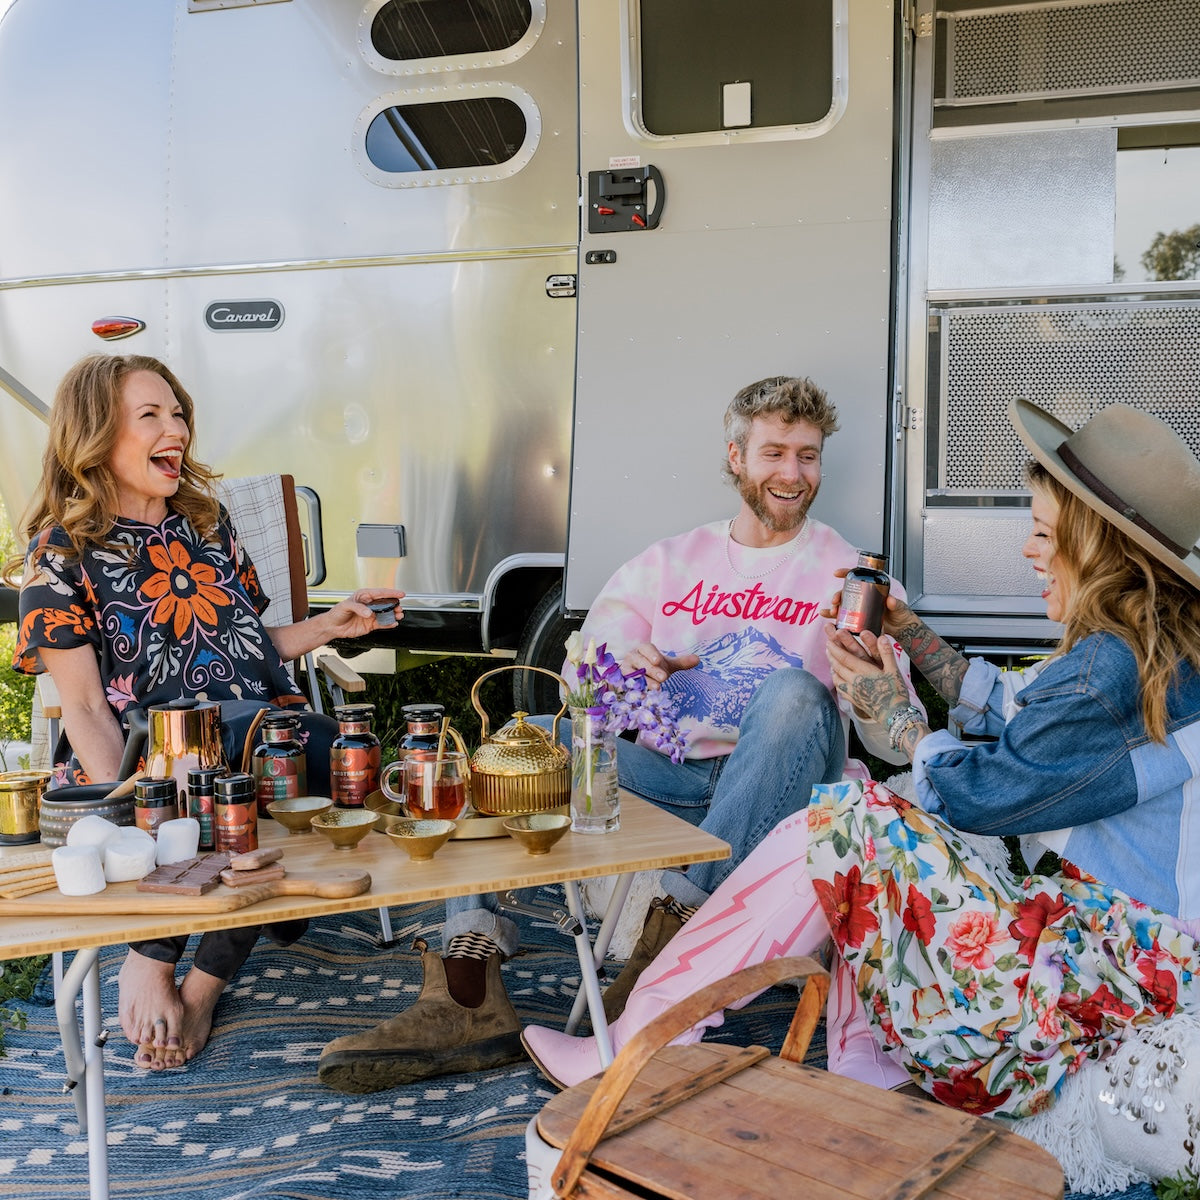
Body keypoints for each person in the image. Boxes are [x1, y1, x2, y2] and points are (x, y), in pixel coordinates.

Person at [522, 396, 1200, 1140]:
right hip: (1131, 948)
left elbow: (985, 793)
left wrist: (903, 722)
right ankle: (864, 1064)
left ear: (1098, 546)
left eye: (1043, 533)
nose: (1029, 552)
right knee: (856, 815)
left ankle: (641, 1042)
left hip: (1114, 969)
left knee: (847, 819)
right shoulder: (1146, 650)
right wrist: (910, 632)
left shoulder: (1109, 668)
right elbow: (1017, 709)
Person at [317, 374, 921, 1093]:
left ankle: (658, 986)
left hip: (786, 785)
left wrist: (865, 680)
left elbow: (890, 747)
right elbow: (585, 689)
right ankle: (466, 991)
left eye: (808, 456)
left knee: (792, 692)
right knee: (518, 744)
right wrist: (624, 673)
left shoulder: (850, 576)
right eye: (774, 453)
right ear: (736, 457)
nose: (793, 474)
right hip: (673, 781)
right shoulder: (668, 563)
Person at [10, 354, 403, 1071]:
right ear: (95, 435)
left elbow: (250, 647)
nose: (177, 430)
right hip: (140, 761)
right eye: (151, 416)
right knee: (233, 777)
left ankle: (200, 983)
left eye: (179, 412)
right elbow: (88, 708)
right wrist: (137, 807)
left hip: (253, 737)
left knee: (276, 759)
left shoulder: (208, 524)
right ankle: (153, 954)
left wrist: (327, 626)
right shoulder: (61, 556)